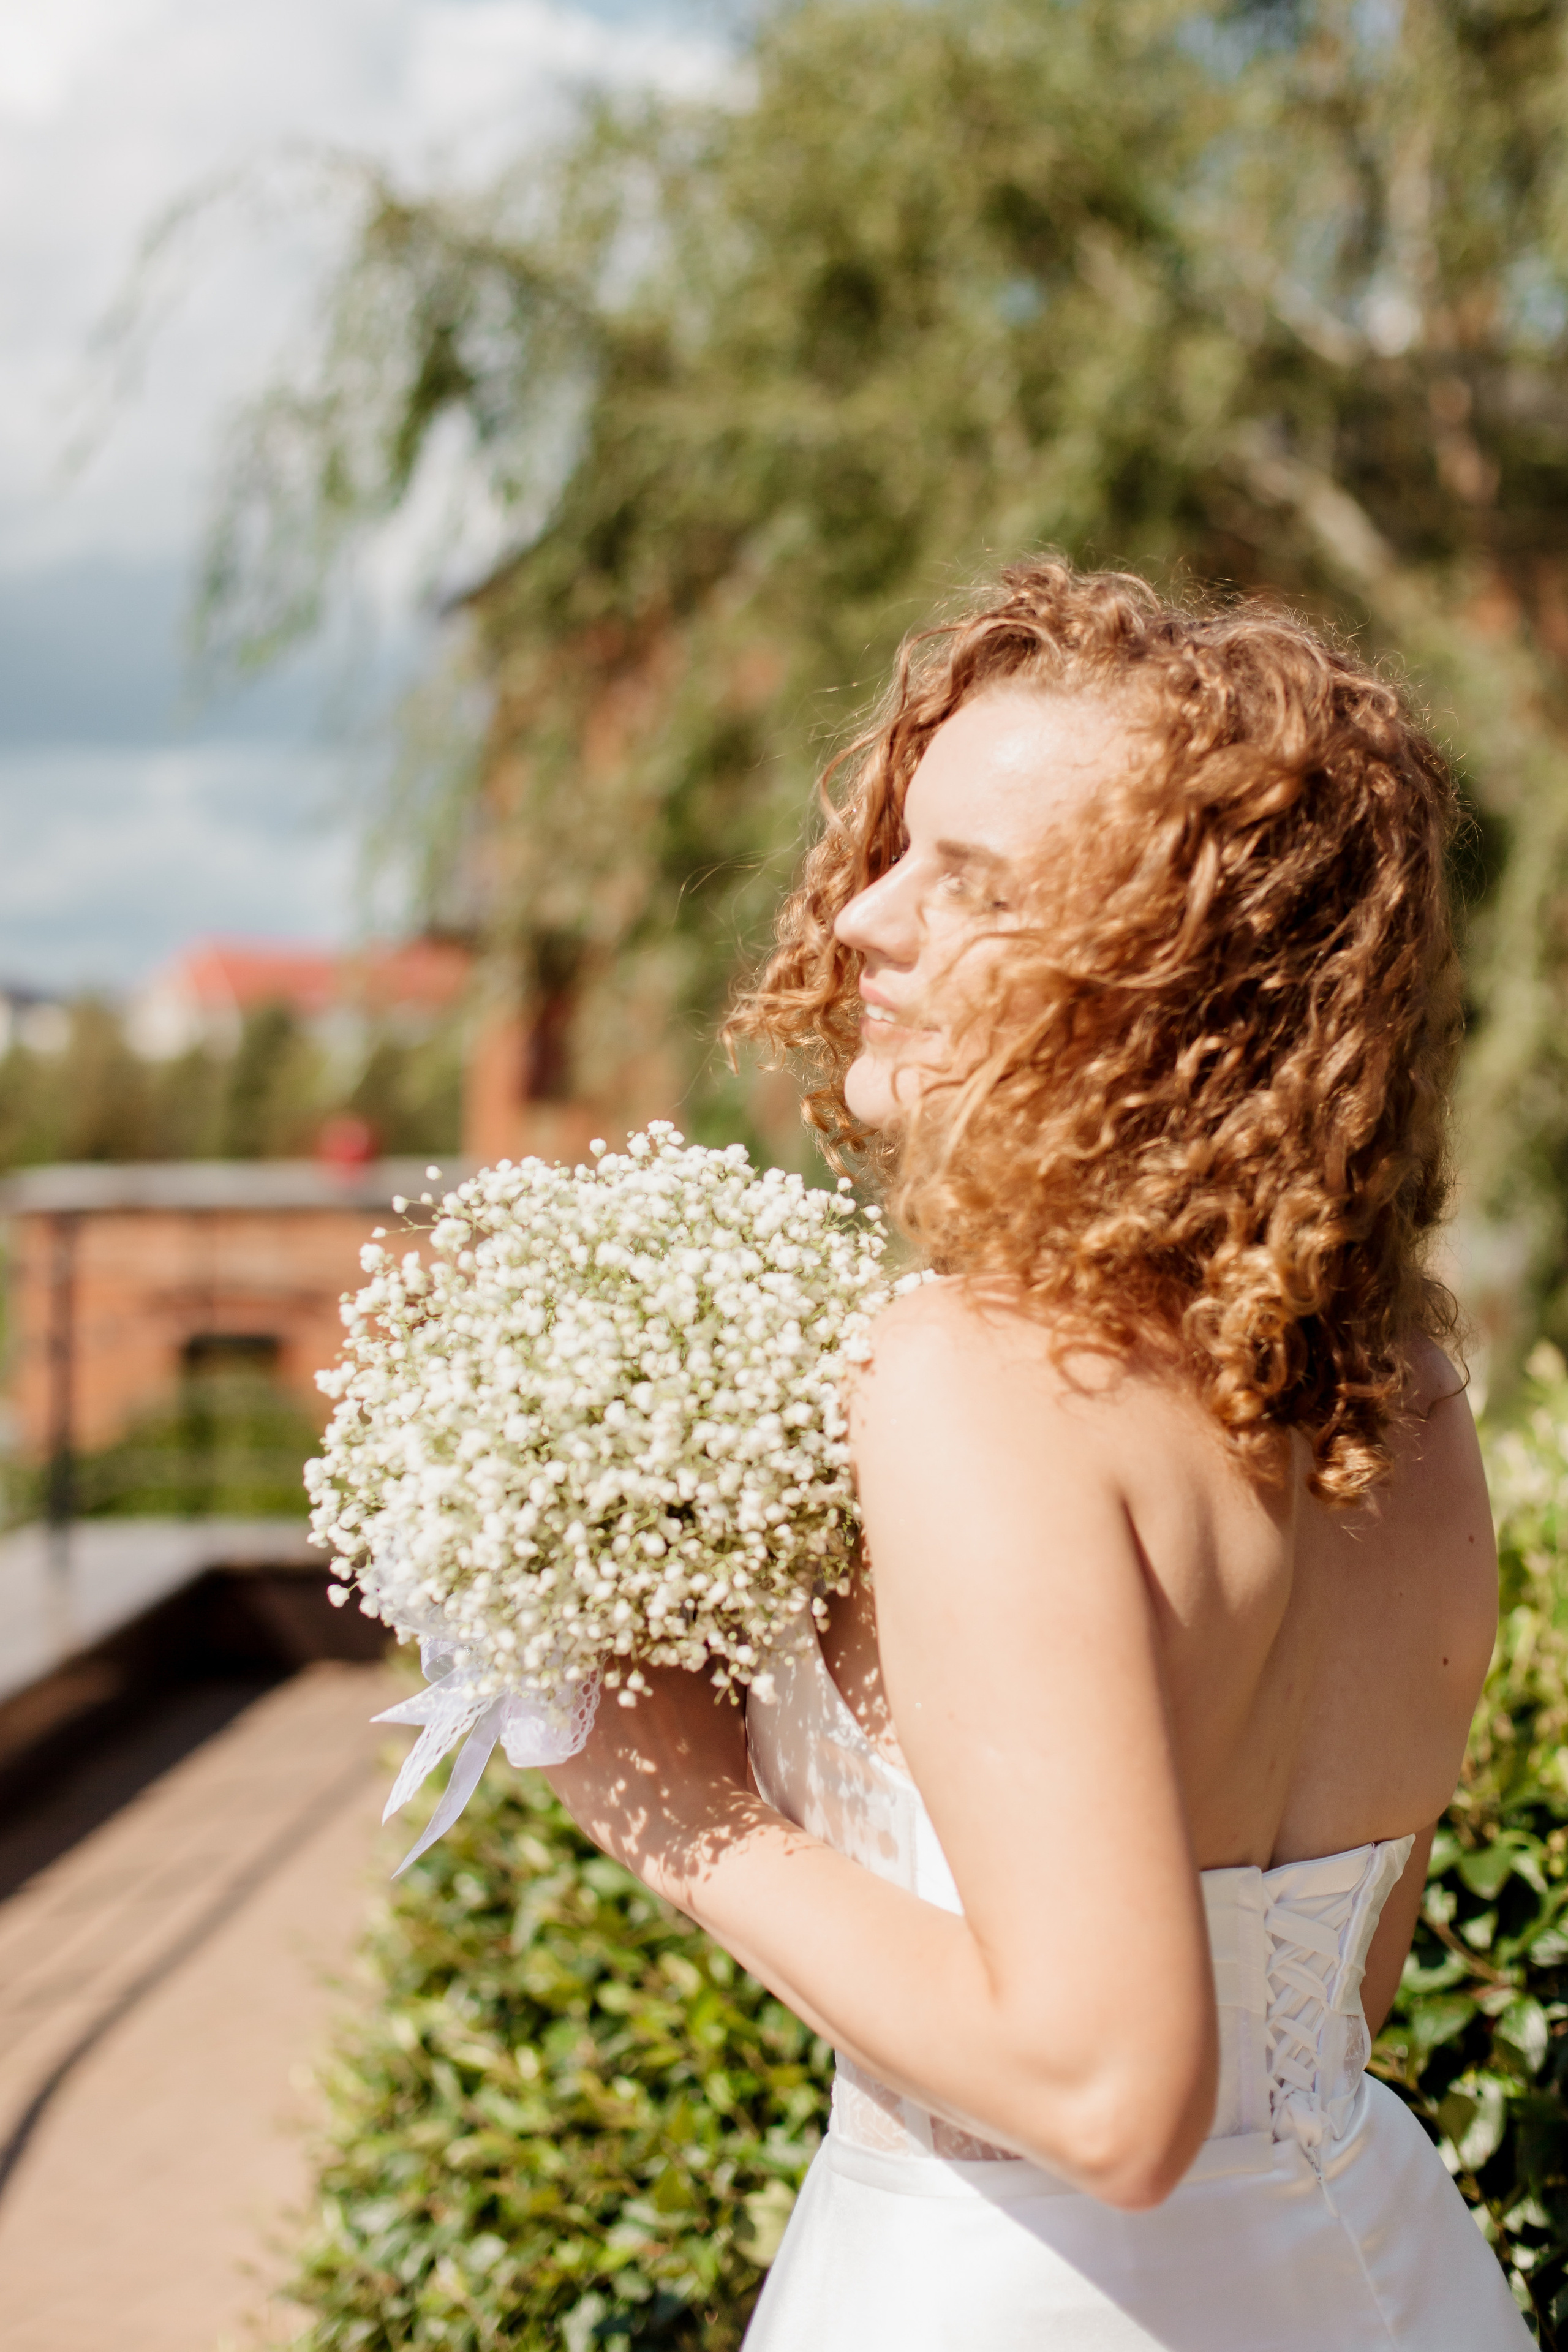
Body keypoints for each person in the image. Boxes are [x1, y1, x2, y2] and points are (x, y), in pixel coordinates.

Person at [547, 561, 1531, 2348]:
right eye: (896, 851)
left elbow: (1113, 2096)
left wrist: (664, 1793)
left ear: (1175, 981)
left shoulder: (973, 1372)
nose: (865, 920)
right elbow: (1338, 1993)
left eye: (972, 882)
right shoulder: (1398, 1387)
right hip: (1374, 2272)